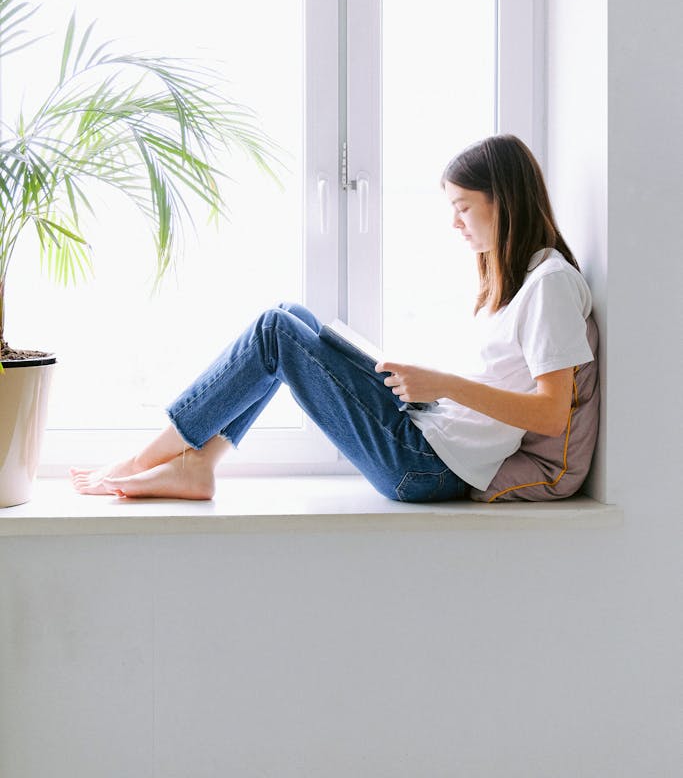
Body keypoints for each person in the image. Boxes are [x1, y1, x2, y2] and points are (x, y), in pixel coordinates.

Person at [70, 134, 599, 504]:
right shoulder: (526, 281)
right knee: (291, 316)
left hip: (426, 466)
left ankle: (144, 460)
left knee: (274, 332)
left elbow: (553, 415)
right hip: (428, 438)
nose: (455, 223)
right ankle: (198, 464)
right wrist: (430, 391)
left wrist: (442, 384)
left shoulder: (548, 284)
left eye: (463, 207)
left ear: (503, 202)